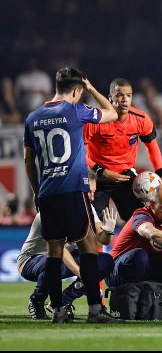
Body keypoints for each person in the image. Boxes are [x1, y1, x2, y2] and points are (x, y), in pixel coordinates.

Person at [23, 67, 119, 323]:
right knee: (89, 247)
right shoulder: (76, 110)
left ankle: (58, 310)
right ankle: (96, 310)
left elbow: (28, 160)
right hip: (72, 190)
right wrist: (92, 89)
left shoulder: (32, 118)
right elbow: (112, 113)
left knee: (54, 252)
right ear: (77, 90)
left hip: (47, 194)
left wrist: (35, 191)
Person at [84, 78, 162, 221]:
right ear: (110, 98)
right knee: (94, 226)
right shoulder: (95, 120)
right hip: (97, 176)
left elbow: (152, 147)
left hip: (125, 177)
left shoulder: (141, 119)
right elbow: (79, 152)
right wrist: (100, 171)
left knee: (140, 221)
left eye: (128, 95)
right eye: (119, 95)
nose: (124, 100)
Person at [18, 204, 117, 320]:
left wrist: (109, 231)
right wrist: (87, 278)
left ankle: (66, 299)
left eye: (93, 192)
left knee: (105, 261)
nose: (92, 195)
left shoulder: (87, 207)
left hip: (63, 256)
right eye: (89, 191)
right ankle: (37, 300)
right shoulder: (52, 206)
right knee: (54, 263)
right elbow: (59, 249)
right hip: (32, 260)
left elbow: (100, 243)